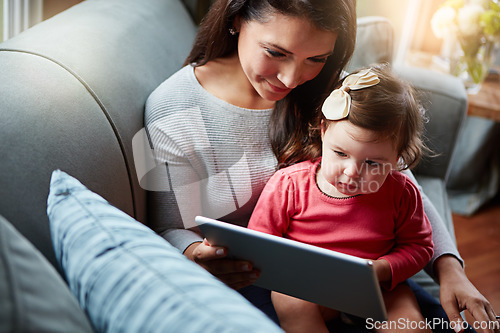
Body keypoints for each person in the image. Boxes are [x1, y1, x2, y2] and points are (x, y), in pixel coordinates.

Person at [144, 0, 498, 332]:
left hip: (365, 275)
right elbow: (167, 226)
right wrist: (194, 253)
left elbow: (401, 182)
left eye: (316, 58)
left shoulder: (335, 89)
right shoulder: (169, 108)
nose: (291, 78)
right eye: (276, 52)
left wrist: (450, 268)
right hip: (263, 281)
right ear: (237, 18)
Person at [247, 66, 434, 332]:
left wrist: (382, 269)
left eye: (372, 162)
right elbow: (258, 242)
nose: (352, 172)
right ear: (323, 131)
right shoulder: (290, 185)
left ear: (398, 157)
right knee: (290, 300)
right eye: (340, 153)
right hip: (306, 285)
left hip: (376, 287)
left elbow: (420, 247)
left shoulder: (401, 193)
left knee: (410, 325)